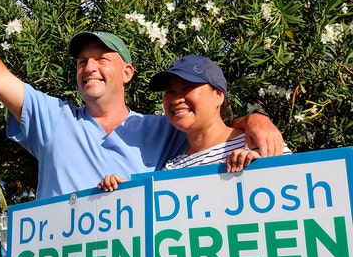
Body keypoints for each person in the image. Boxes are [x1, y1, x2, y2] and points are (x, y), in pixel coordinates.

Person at [0, 0, 286, 199]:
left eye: (102, 58)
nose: (89, 67)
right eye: (82, 60)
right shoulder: (52, 118)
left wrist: (255, 118)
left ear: (127, 72)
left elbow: (209, 127)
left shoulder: (162, 128)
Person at [98, 55, 292, 191]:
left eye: (188, 88)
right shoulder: (171, 168)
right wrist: (123, 195)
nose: (176, 99)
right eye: (170, 92)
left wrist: (256, 171)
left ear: (218, 95)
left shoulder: (260, 142)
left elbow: (295, 196)